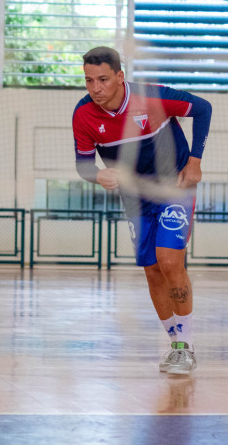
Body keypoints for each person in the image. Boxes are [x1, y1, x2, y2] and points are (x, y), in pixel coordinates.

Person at [72, 46, 211, 376]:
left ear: (120, 77)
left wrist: (195, 161)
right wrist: (97, 174)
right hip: (135, 196)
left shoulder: (151, 97)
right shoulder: (83, 114)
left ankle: (186, 347)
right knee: (151, 270)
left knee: (169, 258)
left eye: (103, 79)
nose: (95, 88)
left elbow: (202, 108)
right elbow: (83, 165)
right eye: (89, 81)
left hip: (173, 186)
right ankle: (175, 344)